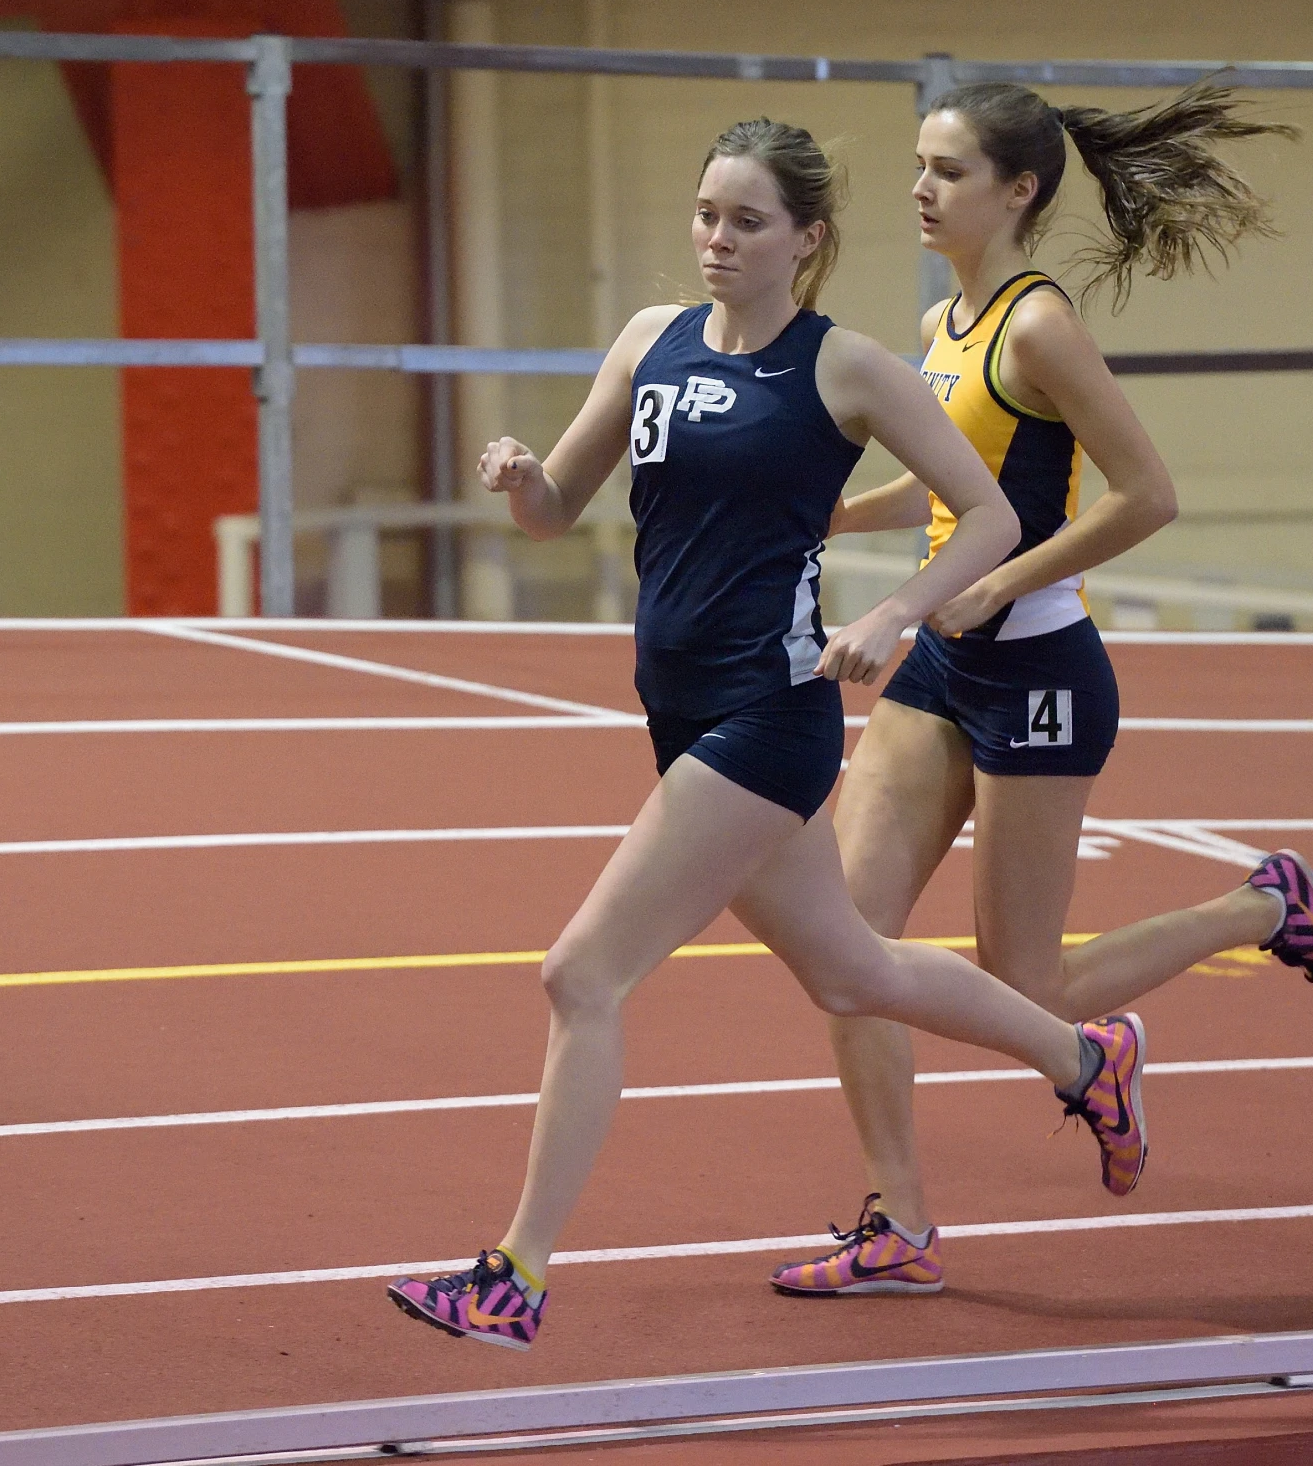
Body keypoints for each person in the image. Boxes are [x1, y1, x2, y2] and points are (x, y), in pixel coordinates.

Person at [386, 119, 1150, 1351]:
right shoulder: (650, 340)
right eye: (704, 215)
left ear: (806, 238)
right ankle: (1082, 1058)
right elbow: (556, 511)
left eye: (746, 221)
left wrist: (897, 614)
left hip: (766, 716)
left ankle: (512, 1276)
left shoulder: (843, 368)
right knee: (854, 970)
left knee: (582, 972)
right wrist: (520, 474)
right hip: (678, 707)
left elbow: (992, 515)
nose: (717, 241)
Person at [770, 80, 1313, 1299]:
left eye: (945, 170)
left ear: (1018, 190)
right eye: (918, 167)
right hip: (940, 663)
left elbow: (1146, 493)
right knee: (848, 946)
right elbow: (947, 483)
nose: (919, 190)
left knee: (1021, 987)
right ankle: (899, 1224)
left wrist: (1003, 584)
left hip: (1038, 670)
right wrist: (835, 511)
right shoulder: (946, 324)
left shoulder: (1038, 327)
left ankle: (1265, 908)